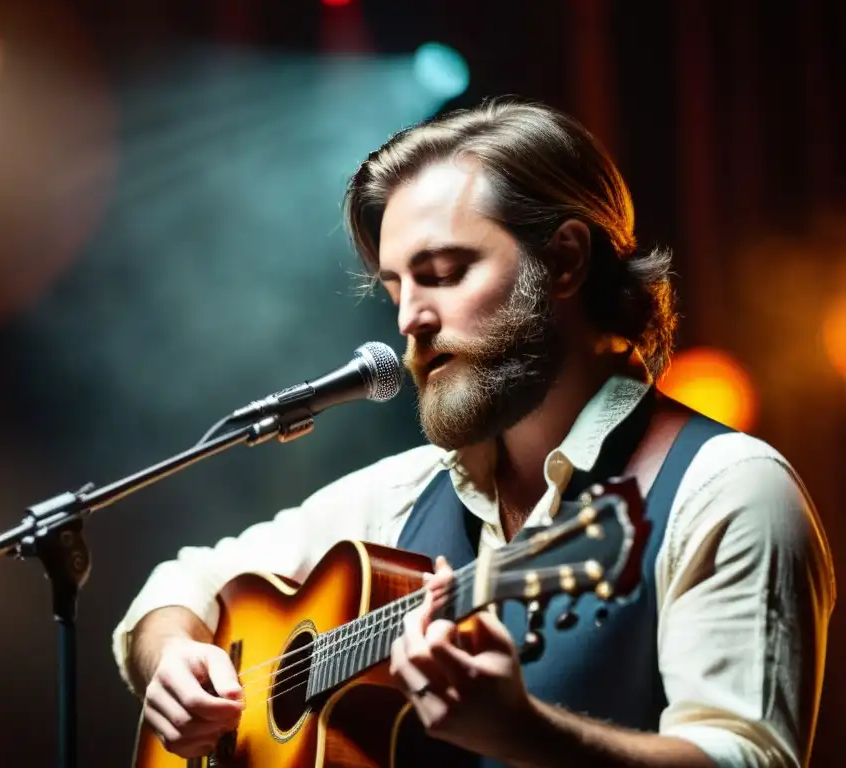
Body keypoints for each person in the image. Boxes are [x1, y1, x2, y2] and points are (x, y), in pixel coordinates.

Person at [112, 98, 836, 767]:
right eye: (396, 288)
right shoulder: (403, 493)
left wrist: (527, 733)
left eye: (445, 273)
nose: (409, 321)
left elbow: (751, 757)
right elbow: (180, 582)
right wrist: (173, 655)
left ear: (565, 259)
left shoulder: (724, 489)